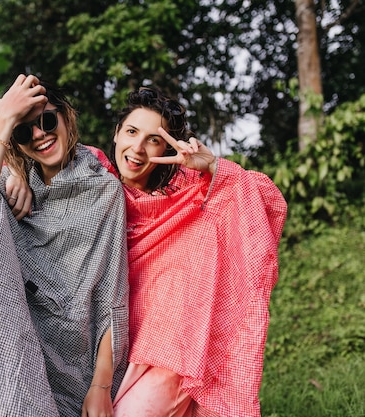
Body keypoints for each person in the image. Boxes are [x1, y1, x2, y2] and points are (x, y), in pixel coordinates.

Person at [0, 74, 129, 417]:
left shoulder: (105, 191)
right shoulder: (8, 188)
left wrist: (101, 386)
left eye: (47, 120)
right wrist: (4, 123)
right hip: (21, 353)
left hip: (81, 362)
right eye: (23, 130)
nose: (39, 135)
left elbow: (112, 294)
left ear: (67, 116)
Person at [103, 87, 288, 417]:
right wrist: (15, 171)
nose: (138, 148)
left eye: (153, 140)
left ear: (166, 147)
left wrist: (213, 166)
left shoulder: (188, 191)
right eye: (132, 132)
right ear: (117, 133)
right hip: (119, 345)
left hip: (174, 348)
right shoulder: (97, 186)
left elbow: (266, 199)